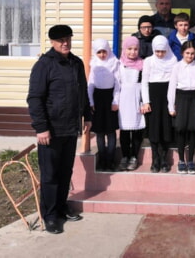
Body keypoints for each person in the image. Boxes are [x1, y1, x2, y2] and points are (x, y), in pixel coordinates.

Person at [26, 24, 91, 234]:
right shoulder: (44, 65)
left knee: (65, 172)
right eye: (61, 40)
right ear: (52, 42)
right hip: (51, 131)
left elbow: (83, 92)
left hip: (71, 128)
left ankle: (62, 206)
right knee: (50, 175)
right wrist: (41, 128)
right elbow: (35, 98)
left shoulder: (76, 63)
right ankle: (50, 215)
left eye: (68, 39)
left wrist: (87, 116)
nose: (65, 43)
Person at [168, 41, 195, 174]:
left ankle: (190, 160)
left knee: (192, 129)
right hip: (181, 98)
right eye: (187, 53)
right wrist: (171, 106)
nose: (190, 56)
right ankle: (181, 160)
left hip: (194, 98)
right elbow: (172, 87)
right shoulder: (177, 67)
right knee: (181, 129)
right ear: (182, 53)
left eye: (192, 53)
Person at [141, 35, 177, 173]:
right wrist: (146, 101)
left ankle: (164, 158)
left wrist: (173, 102)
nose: (160, 54)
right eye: (157, 51)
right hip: (153, 97)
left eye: (163, 51)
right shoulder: (149, 61)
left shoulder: (173, 60)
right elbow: (144, 82)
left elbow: (175, 82)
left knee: (166, 128)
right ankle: (155, 158)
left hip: (167, 95)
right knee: (154, 128)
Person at [87, 38, 120, 172]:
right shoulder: (94, 64)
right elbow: (90, 84)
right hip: (98, 99)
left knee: (111, 132)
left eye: (104, 52)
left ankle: (110, 160)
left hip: (110, 98)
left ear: (108, 50)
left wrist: (115, 101)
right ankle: (102, 159)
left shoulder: (114, 62)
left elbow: (118, 83)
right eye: (99, 52)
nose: (102, 55)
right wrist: (91, 102)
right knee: (99, 132)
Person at [117, 36, 146, 172]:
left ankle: (134, 156)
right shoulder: (119, 64)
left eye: (135, 49)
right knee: (124, 130)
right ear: (124, 49)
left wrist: (144, 102)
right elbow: (116, 84)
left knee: (136, 130)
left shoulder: (142, 65)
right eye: (129, 49)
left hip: (137, 99)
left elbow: (144, 85)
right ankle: (125, 156)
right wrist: (115, 101)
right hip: (123, 101)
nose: (132, 52)